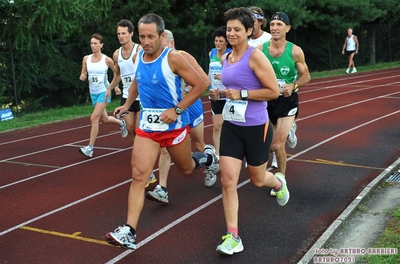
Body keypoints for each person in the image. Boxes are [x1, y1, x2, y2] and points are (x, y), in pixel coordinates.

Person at [105, 14, 219, 250]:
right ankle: (129, 231)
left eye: (151, 36)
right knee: (139, 176)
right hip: (148, 127)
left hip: (173, 126)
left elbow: (201, 85)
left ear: (161, 35)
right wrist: (127, 105)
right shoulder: (138, 57)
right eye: (143, 36)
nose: (146, 41)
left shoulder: (173, 58)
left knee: (187, 168)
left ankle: (208, 157)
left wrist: (177, 109)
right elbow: (137, 80)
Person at [209, 7, 290, 255]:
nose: (231, 33)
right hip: (233, 126)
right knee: (227, 180)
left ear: (248, 31)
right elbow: (232, 87)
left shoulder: (255, 57)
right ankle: (233, 236)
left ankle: (277, 182)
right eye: (229, 29)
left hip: (256, 126)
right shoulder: (226, 58)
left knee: (257, 180)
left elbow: (273, 91)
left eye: (237, 29)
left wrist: (243, 94)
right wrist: (220, 93)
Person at [146, 29, 213, 204]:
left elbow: (205, 81)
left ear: (172, 43)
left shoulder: (182, 56)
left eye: (166, 47)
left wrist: (186, 93)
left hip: (190, 106)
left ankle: (210, 163)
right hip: (171, 110)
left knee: (198, 144)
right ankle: (162, 188)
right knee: (165, 148)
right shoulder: (156, 60)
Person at [257, 12, 311, 193]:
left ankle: (281, 181)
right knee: (270, 146)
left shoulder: (295, 51)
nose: (275, 28)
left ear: (287, 28)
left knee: (278, 145)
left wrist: (293, 85)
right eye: (272, 24)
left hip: (288, 101)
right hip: (268, 102)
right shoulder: (260, 50)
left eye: (279, 24)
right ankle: (288, 130)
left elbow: (306, 76)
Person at [106, 19, 156, 187]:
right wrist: (110, 88)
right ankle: (141, 153)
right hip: (127, 96)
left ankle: (145, 162)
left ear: (131, 34)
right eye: (119, 34)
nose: (121, 36)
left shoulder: (140, 50)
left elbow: (147, 69)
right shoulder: (116, 54)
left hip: (141, 96)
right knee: (129, 128)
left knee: (138, 129)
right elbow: (118, 75)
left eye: (124, 33)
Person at [79, 33, 128, 158]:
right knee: (104, 119)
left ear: (101, 45)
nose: (93, 46)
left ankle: (90, 148)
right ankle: (121, 123)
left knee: (94, 118)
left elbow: (117, 74)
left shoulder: (107, 60)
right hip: (93, 93)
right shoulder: (86, 59)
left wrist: (115, 86)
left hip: (104, 91)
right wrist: (82, 76)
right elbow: (83, 74)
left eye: (95, 43)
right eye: (91, 43)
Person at [208, 26, 231, 172]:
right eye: (216, 41)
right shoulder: (212, 53)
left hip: (228, 94)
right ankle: (217, 155)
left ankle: (231, 154)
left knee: (229, 126)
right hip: (215, 94)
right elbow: (208, 71)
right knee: (217, 126)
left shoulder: (231, 54)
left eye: (221, 41)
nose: (218, 43)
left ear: (226, 42)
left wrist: (224, 76)